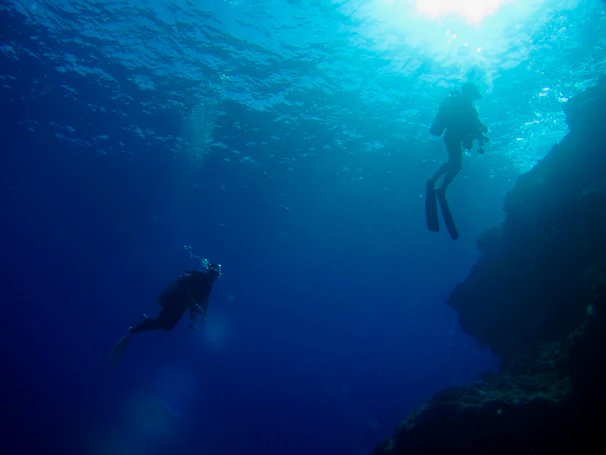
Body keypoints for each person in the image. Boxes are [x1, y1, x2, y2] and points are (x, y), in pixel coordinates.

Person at [109, 262, 222, 364]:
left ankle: (143, 322)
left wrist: (203, 316)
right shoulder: (198, 278)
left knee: (167, 326)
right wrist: (194, 305)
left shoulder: (208, 286)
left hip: (181, 307)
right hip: (175, 302)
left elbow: (204, 301)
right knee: (159, 323)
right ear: (209, 271)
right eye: (212, 273)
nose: (213, 276)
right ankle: (132, 331)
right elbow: (187, 292)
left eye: (215, 275)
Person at [426, 82, 489, 239]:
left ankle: (440, 189)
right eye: (474, 91)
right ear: (469, 91)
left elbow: (473, 124)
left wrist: (480, 133)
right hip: (453, 137)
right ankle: (433, 182)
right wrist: (479, 130)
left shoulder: (467, 106)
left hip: (456, 137)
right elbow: (468, 122)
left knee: (457, 166)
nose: (476, 95)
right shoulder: (460, 103)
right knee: (455, 164)